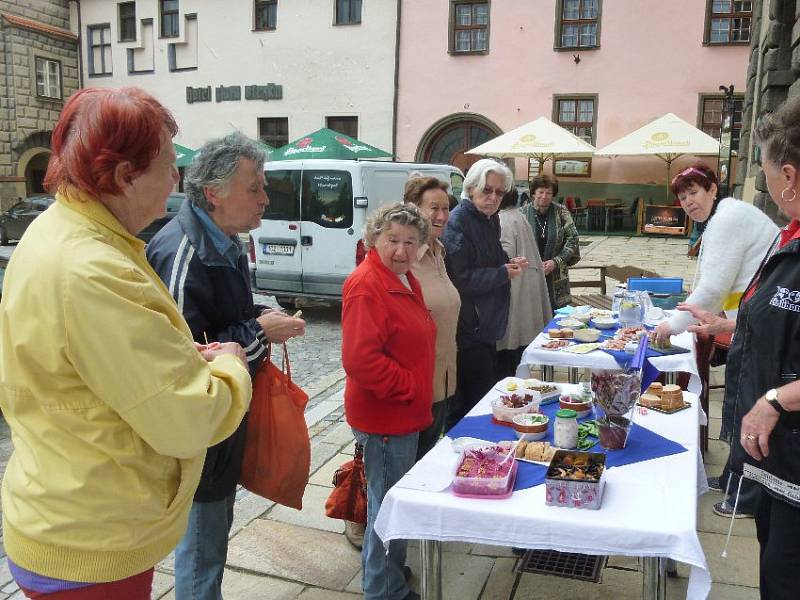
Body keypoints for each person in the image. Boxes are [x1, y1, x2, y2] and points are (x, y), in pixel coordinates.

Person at [0, 87, 252, 599]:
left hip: (69, 510)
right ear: (122, 175)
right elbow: (186, 420)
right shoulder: (90, 268)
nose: (177, 181)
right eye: (167, 165)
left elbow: (97, 366)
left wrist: (180, 359)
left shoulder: (63, 230)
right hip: (91, 544)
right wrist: (231, 366)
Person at [146, 132, 306, 600]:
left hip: (222, 427)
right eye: (255, 186)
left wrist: (258, 316)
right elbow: (185, 359)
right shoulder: (186, 250)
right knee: (200, 551)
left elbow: (224, 319)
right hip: (200, 436)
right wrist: (261, 332)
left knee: (212, 543)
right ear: (213, 193)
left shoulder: (225, 240)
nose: (265, 197)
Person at [687, 96, 800, 599]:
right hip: (778, 465)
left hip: (793, 454)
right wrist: (727, 326)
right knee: (774, 568)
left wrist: (775, 401)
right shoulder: (790, 238)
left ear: (789, 177)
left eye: (765, 169)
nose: (764, 182)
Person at [651, 163, 778, 519]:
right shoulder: (722, 216)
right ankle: (734, 477)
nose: (688, 202)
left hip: (763, 323)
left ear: (712, 189)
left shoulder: (727, 218)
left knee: (753, 404)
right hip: (750, 320)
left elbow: (711, 290)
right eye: (682, 196)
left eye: (694, 192)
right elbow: (709, 281)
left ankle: (749, 495)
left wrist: (671, 325)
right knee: (739, 399)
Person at [342, 203, 436, 600]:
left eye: (410, 242)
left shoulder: (403, 278)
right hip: (386, 416)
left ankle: (391, 572)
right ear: (374, 239)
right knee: (386, 505)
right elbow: (361, 360)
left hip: (403, 414)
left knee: (394, 499)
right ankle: (382, 590)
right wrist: (410, 387)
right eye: (392, 240)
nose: (401, 249)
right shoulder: (368, 285)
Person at [442, 159, 528, 430]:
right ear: (471, 188)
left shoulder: (488, 219)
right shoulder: (460, 222)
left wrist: (508, 262)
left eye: (499, 192)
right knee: (471, 406)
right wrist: (503, 273)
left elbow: (489, 258)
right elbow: (460, 279)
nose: (493, 198)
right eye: (487, 190)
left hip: (485, 326)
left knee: (481, 399)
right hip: (468, 330)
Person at [403, 175, 461, 459]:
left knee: (426, 458)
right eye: (433, 208)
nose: (441, 216)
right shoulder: (406, 259)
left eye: (446, 208)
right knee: (408, 473)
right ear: (414, 209)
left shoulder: (439, 252)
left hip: (444, 382)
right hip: (417, 388)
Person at [496, 188, 553, 378]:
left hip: (516, 289)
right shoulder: (519, 216)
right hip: (527, 288)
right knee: (520, 345)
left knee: (511, 345)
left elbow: (507, 255)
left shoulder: (502, 220)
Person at [522, 174, 580, 309]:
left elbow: (573, 238)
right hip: (530, 274)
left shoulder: (561, 212)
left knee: (559, 316)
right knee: (532, 313)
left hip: (557, 274)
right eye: (540, 192)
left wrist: (556, 262)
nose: (544, 196)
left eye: (549, 193)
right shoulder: (522, 213)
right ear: (533, 193)